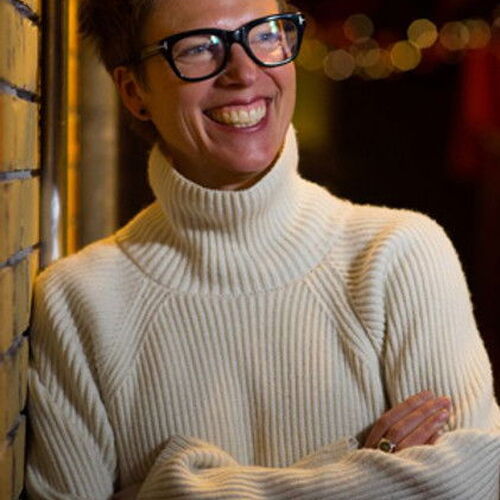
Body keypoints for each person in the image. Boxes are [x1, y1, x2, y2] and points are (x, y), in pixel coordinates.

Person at [27, 0, 500, 498]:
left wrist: (174, 490)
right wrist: (361, 467)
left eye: (266, 34)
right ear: (133, 91)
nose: (245, 71)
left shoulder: (398, 256)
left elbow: (475, 481)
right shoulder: (78, 301)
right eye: (199, 48)